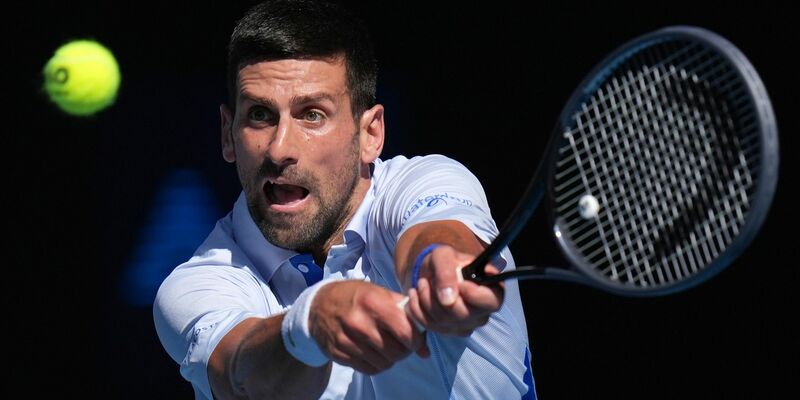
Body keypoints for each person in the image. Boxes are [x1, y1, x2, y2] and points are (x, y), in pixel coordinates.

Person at [153, 0, 536, 398]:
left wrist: (439, 268)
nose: (280, 148)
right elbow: (242, 376)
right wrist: (308, 327)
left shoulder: (426, 182)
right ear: (228, 134)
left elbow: (439, 237)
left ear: (370, 134)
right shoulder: (195, 283)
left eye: (312, 114)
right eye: (260, 116)